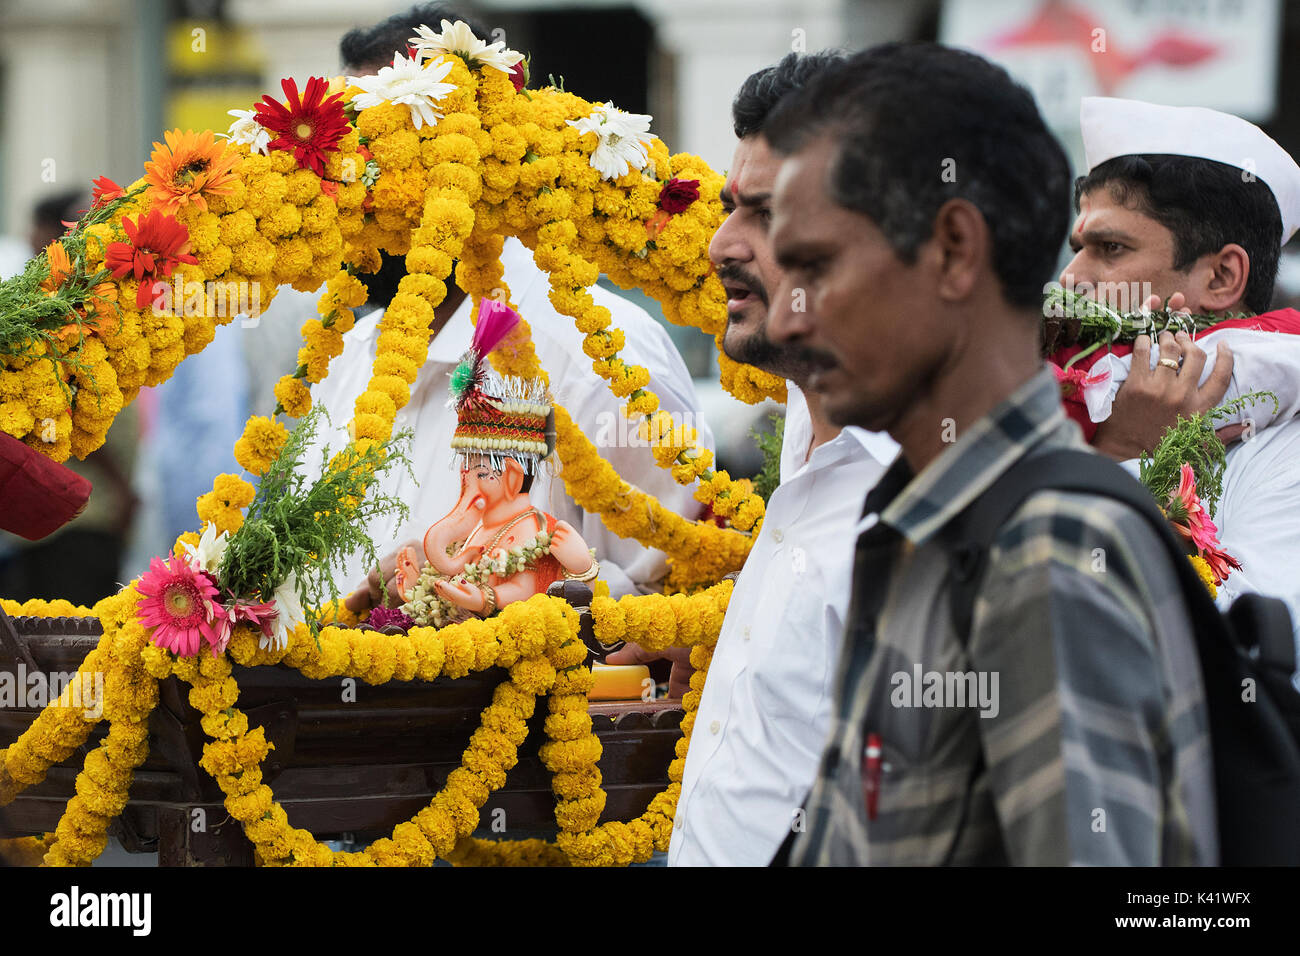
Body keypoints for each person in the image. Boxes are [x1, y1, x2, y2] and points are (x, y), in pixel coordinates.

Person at [764, 43, 1215, 865]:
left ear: (954, 250)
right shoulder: (924, 514)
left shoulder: (1041, 551)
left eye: (816, 267)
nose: (787, 320)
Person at [314, 6, 712, 609]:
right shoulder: (351, 353)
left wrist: (499, 585)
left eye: (376, 164)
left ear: (468, 158)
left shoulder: (598, 355)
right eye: (337, 168)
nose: (350, 197)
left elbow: (679, 598)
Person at [627, 51, 898, 867]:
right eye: (726, 208)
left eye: (765, 214)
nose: (717, 246)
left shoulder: (948, 497)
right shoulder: (809, 449)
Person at [1051, 97, 1300, 648]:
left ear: (1221, 277)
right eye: (1077, 249)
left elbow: (1246, 650)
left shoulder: (1287, 452)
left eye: (1109, 248)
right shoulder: (1061, 407)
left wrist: (1136, 457)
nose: (1070, 278)